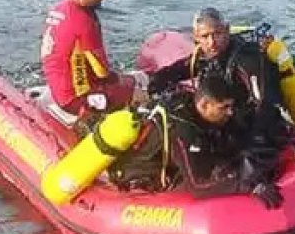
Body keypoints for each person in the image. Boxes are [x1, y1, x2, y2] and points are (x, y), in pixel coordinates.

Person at [111, 72, 283, 207]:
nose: (230, 112)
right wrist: (250, 186)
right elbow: (197, 186)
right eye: (224, 107)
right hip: (143, 174)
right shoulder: (182, 129)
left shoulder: (203, 113)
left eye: (231, 106)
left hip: (175, 160)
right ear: (204, 105)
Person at [146, 8, 288, 171]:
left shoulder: (248, 60)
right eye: (205, 37)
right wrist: (153, 86)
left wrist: (254, 151)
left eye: (217, 34)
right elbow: (176, 71)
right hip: (222, 118)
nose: (212, 42)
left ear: (227, 30)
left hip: (249, 125)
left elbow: (265, 105)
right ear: (196, 37)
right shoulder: (206, 55)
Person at [41, 0, 136, 120]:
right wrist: (123, 82)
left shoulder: (58, 9)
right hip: (76, 100)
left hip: (57, 87)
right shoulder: (84, 22)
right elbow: (102, 71)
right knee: (136, 90)